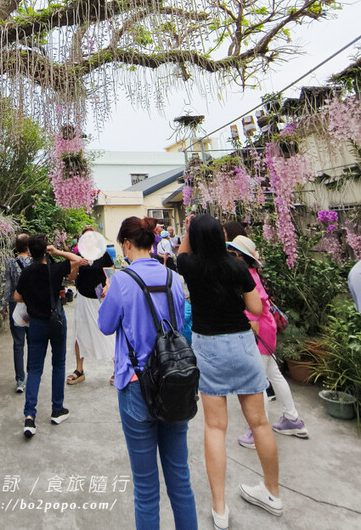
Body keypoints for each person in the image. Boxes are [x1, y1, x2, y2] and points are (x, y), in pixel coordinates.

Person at [178, 214, 282, 529]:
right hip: (242, 345)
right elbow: (255, 309)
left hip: (209, 348)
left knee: (214, 428)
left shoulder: (190, 266)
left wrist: (187, 230)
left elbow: (181, 254)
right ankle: (273, 494)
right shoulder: (238, 267)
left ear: (196, 239)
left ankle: (220, 509)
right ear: (222, 236)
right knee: (260, 423)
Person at [98, 216, 197, 530]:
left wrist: (109, 294)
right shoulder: (172, 278)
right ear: (152, 242)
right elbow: (179, 326)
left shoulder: (123, 281)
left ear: (127, 244)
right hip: (175, 383)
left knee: (145, 488)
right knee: (180, 481)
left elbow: (105, 325)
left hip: (137, 386)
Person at [226, 234, 309, 445]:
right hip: (268, 330)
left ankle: (256, 432)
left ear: (241, 257)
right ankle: (292, 419)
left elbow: (254, 312)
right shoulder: (252, 273)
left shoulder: (248, 277)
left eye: (232, 253)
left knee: (257, 383)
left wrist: (248, 338)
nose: (229, 256)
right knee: (274, 374)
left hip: (259, 332)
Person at [14, 235, 81, 439]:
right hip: (56, 322)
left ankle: (29, 417)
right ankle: (57, 410)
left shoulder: (27, 272)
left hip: (36, 324)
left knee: (34, 369)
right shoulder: (54, 269)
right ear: (45, 250)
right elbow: (76, 260)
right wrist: (58, 251)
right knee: (58, 364)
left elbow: (16, 297)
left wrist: (32, 299)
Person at [67, 229, 115, 386]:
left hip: (100, 300)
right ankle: (79, 369)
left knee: (108, 333)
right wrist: (76, 265)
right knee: (79, 333)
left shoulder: (104, 255)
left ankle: (118, 368)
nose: (89, 240)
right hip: (83, 299)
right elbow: (71, 277)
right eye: (85, 237)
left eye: (91, 237)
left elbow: (111, 273)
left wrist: (108, 286)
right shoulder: (78, 255)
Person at [1, 233, 32, 393]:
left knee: (18, 344)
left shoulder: (11, 263)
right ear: (28, 247)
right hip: (32, 306)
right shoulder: (34, 262)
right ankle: (32, 376)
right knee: (33, 341)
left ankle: (20, 380)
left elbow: (8, 285)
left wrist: (4, 305)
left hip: (16, 305)